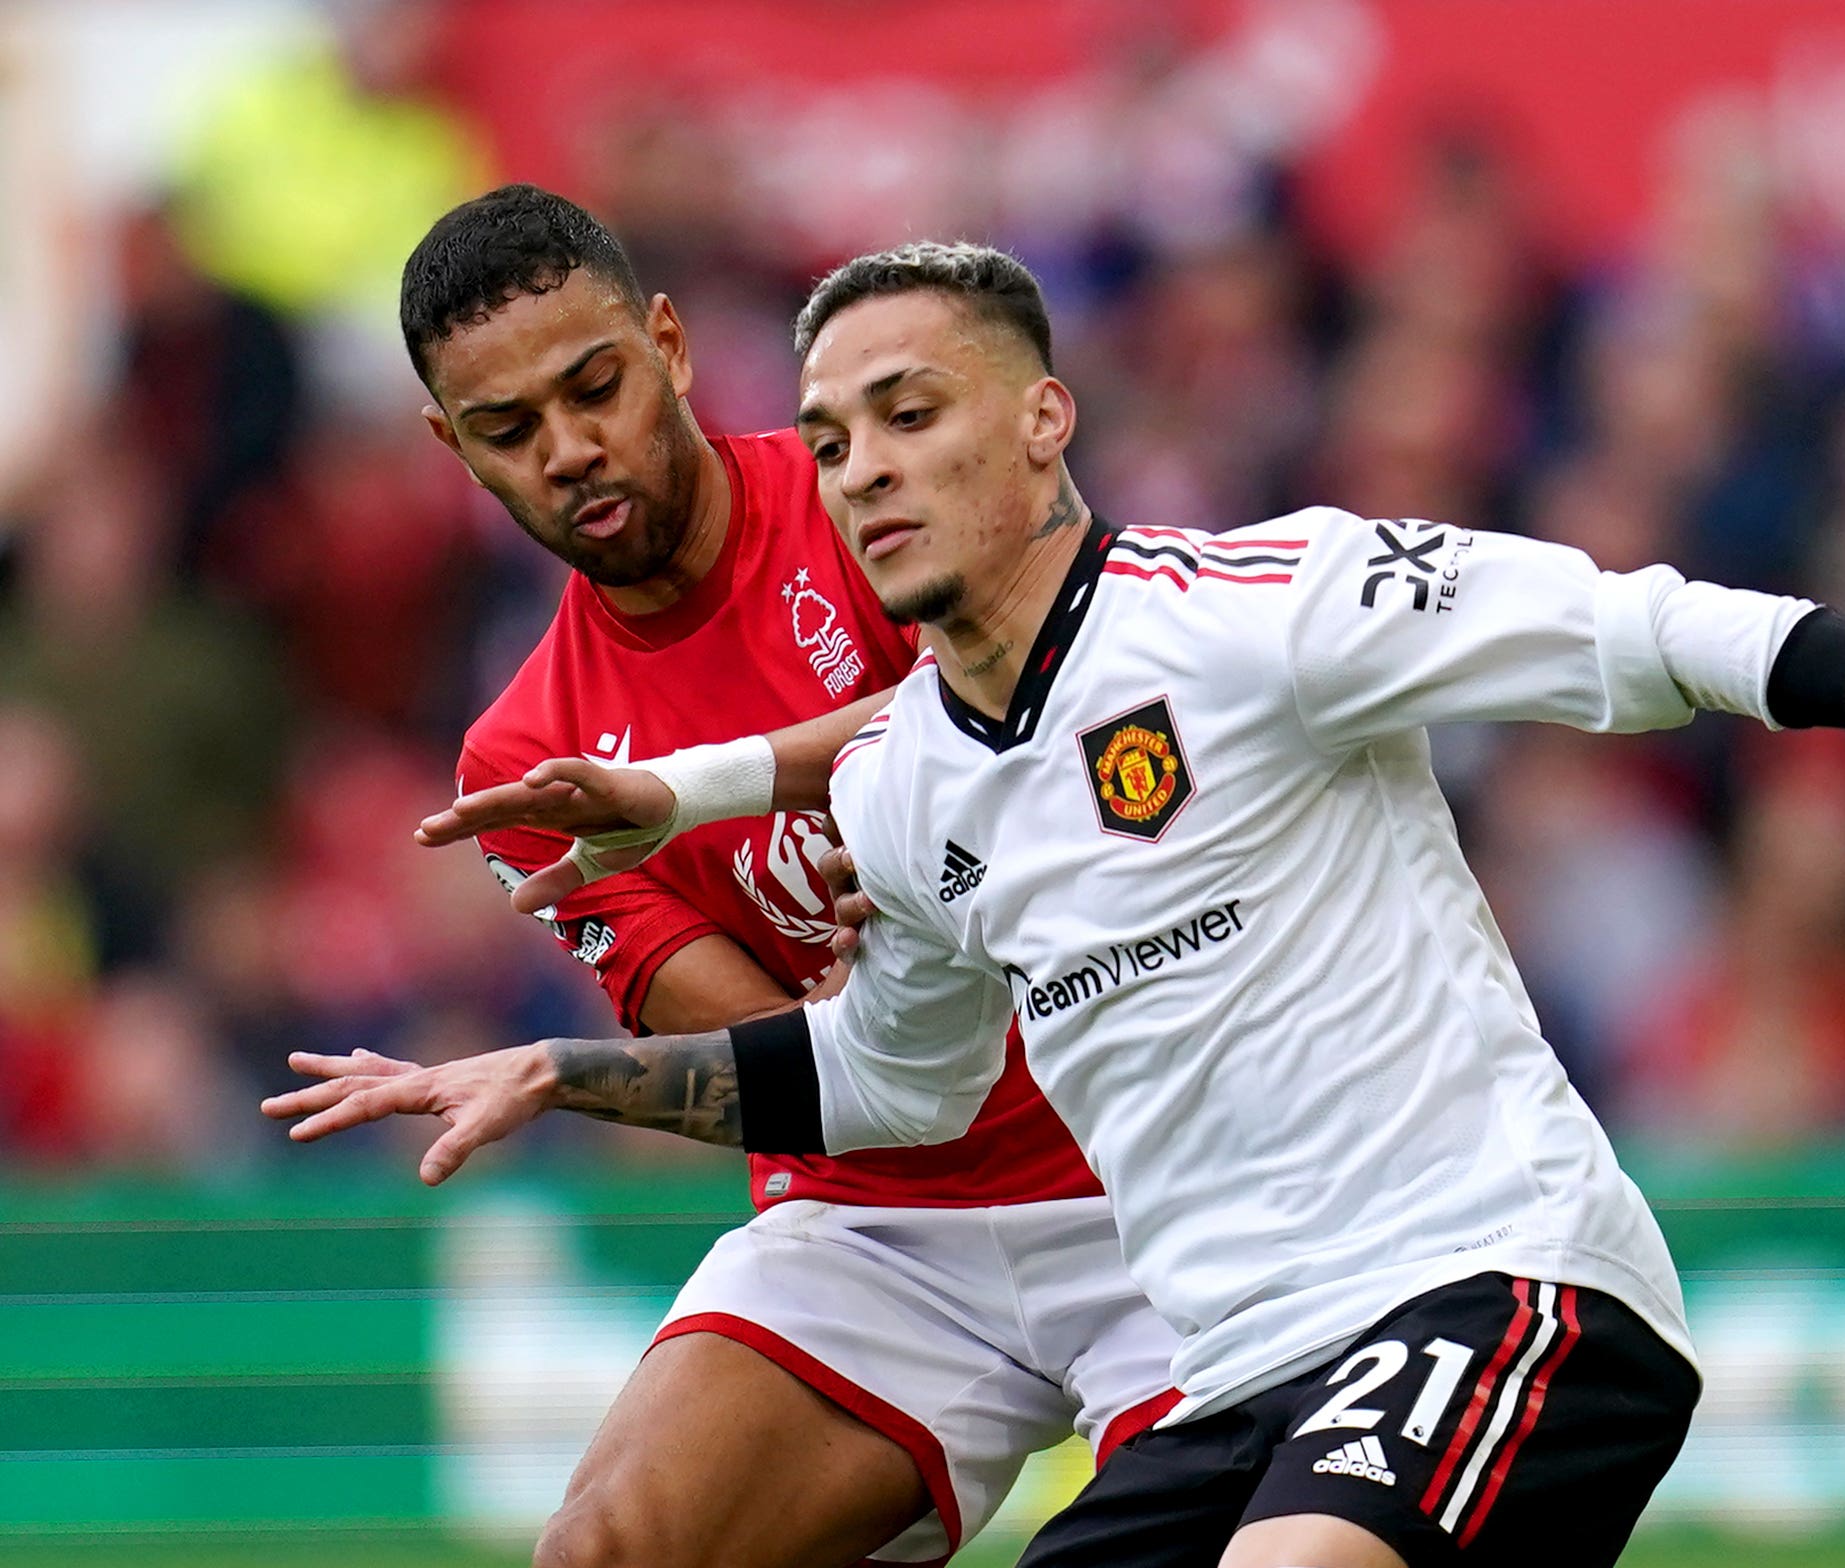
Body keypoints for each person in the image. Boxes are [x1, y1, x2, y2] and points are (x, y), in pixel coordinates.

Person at [312, 242, 1845, 1568]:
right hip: (1151, 1317)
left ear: (1048, 421)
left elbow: (1646, 629)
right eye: (840, 439)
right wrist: (558, 1073)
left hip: (1467, 1281)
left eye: (912, 418)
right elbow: (872, 1077)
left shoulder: (1262, 607)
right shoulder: (879, 793)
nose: (869, 471)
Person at [264, 193, 1179, 1568]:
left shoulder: (870, 490)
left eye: (597, 388)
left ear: (671, 348)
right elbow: (786, 1066)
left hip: (1153, 1160)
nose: (572, 450)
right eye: (511, 432)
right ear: (453, 450)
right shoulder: (524, 761)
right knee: (604, 1553)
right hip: (883, 1224)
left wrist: (931, 873)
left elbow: (1094, 731)